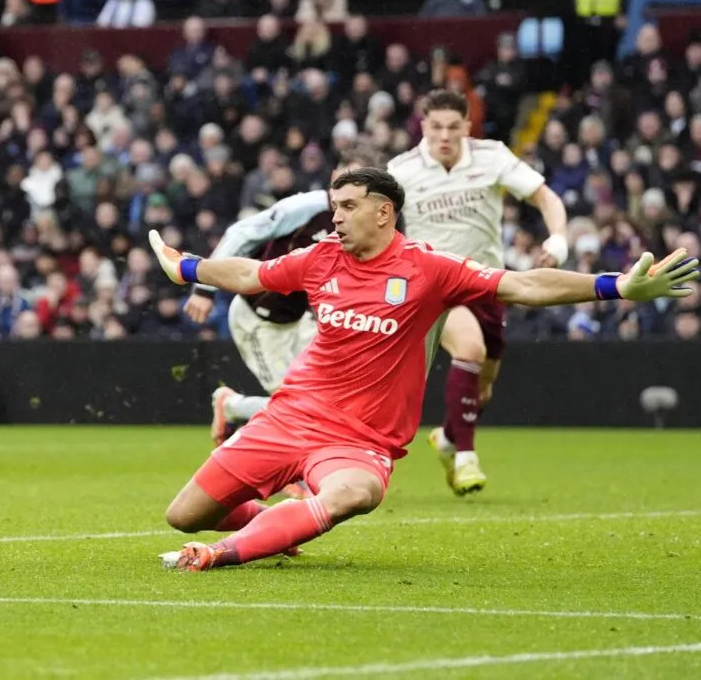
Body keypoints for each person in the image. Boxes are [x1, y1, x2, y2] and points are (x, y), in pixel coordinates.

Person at [148, 169, 696, 571]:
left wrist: (616, 285)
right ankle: (271, 525)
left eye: (347, 205)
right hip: (287, 418)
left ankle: (221, 554)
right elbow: (250, 274)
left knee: (354, 494)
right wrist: (187, 267)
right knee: (184, 514)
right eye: (334, 205)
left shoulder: (428, 269)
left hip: (359, 440)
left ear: (382, 211)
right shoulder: (320, 259)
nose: (334, 216)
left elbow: (522, 285)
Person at [388, 89, 569, 495]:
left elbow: (545, 197)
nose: (445, 136)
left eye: (454, 127)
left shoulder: (492, 156)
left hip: (487, 283)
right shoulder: (401, 170)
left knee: (483, 386)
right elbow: (375, 217)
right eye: (436, 127)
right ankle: (466, 456)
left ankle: (449, 437)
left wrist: (558, 239)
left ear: (467, 127)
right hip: (432, 285)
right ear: (424, 126)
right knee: (469, 349)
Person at [184, 152, 370, 443]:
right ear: (332, 179)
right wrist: (204, 287)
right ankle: (233, 408)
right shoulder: (304, 207)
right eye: (343, 178)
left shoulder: (364, 227)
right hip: (257, 318)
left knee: (326, 404)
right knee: (296, 408)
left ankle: (235, 410)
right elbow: (242, 232)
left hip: (305, 323)